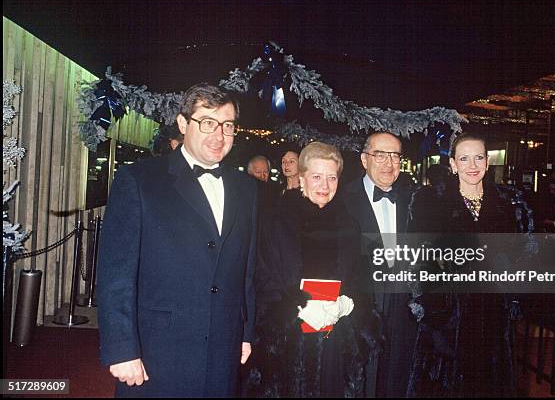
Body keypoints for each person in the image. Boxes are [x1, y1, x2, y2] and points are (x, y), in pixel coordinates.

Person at [97, 83, 257, 397]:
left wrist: (245, 332)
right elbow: (116, 273)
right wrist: (121, 348)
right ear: (184, 124)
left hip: (223, 345)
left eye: (227, 125)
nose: (219, 135)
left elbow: (246, 270)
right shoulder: (138, 180)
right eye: (207, 123)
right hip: (157, 348)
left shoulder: (247, 188)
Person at [250, 142, 381, 397]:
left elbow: (361, 279)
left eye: (332, 177)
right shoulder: (276, 219)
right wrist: (296, 308)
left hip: (337, 341)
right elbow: (261, 275)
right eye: (317, 176)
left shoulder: (349, 225)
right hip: (288, 343)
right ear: (302, 178)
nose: (325, 185)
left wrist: (348, 304)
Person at [407, 132, 518, 397]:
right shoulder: (431, 205)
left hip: (493, 319)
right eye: (464, 159)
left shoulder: (507, 205)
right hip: (447, 322)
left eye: (478, 157)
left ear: (487, 162)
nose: (472, 165)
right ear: (453, 165)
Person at [342, 132, 418, 398]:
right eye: (380, 155)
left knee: (396, 381)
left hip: (401, 313)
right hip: (359, 313)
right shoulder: (341, 199)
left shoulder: (413, 201)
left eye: (395, 155)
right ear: (364, 159)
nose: (389, 163)